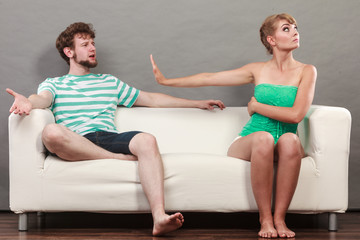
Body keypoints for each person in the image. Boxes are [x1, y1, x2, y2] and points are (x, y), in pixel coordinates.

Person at [6, 22, 225, 236]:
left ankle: (159, 217)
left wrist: (195, 103)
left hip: (107, 136)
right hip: (75, 139)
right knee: (50, 132)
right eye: (84, 44)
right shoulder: (54, 84)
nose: (92, 48)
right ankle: (116, 158)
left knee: (146, 140)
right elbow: (42, 99)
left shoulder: (108, 82)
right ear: (69, 52)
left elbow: (151, 99)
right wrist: (28, 102)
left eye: (93, 43)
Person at [150, 13, 317, 238]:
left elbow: (296, 115)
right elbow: (209, 78)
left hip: (285, 142)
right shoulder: (257, 70)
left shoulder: (307, 71)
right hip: (253, 141)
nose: (295, 32)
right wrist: (166, 81)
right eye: (286, 28)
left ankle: (280, 219)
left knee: (291, 140)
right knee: (264, 137)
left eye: (296, 27)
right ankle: (265, 218)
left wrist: (257, 107)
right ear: (272, 40)